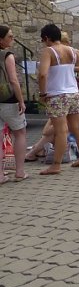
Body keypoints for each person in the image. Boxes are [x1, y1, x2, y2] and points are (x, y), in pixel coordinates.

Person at [36, 23, 79, 174]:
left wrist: (42, 93)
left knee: (61, 131)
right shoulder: (73, 51)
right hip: (73, 93)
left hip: (56, 95)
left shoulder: (49, 51)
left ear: (46, 38)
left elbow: (43, 74)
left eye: (43, 40)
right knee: (77, 127)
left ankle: (56, 165)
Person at [0, 25, 28, 182]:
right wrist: (21, 100)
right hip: (8, 100)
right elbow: (13, 80)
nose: (13, 38)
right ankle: (20, 172)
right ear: (1, 39)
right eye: (9, 36)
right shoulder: (7, 56)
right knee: (20, 133)